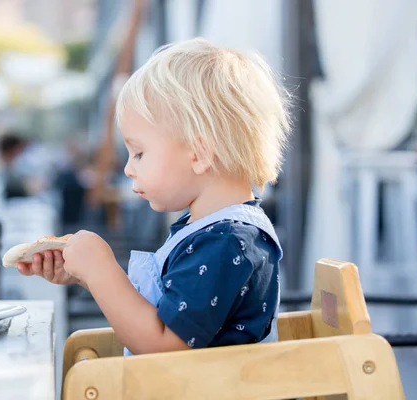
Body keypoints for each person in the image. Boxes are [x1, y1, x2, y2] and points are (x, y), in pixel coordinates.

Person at [17, 38, 291, 355]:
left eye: (139, 153)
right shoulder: (209, 230)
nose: (129, 169)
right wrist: (86, 275)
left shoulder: (226, 241)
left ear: (200, 153)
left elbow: (162, 345)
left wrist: (100, 270)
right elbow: (165, 311)